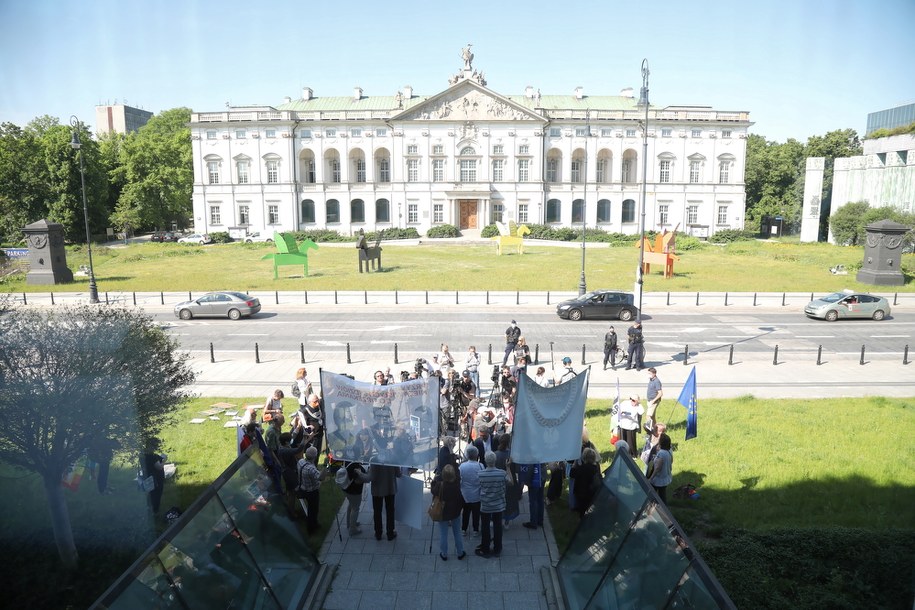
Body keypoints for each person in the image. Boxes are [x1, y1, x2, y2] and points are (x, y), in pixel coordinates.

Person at [476, 451, 508, 558]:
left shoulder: (480, 474)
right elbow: (511, 481)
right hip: (499, 505)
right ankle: (497, 549)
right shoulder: (502, 473)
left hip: (485, 505)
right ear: (495, 461)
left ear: (485, 461)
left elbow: (478, 487)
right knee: (498, 526)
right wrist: (508, 467)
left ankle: (485, 548)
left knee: (485, 527)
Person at [432, 464, 466, 561]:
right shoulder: (457, 484)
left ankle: (444, 553)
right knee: (457, 533)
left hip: (442, 512)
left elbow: (433, 491)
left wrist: (433, 481)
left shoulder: (440, 485)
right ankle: (460, 552)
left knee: (443, 534)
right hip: (455, 512)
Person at [368, 464, 400, 541]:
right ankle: (390, 533)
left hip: (377, 490)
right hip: (390, 488)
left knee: (377, 511)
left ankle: (378, 534)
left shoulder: (374, 460)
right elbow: (398, 474)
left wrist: (361, 473)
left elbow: (371, 477)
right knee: (390, 511)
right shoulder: (392, 459)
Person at [567, 427, 597, 511]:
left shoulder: (576, 446)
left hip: (578, 469)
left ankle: (573, 505)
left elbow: (571, 461)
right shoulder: (589, 444)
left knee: (574, 486)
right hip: (587, 472)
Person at [494, 434, 520, 528]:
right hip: (510, 479)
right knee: (508, 501)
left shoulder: (495, 454)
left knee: (498, 500)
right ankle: (507, 522)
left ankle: (497, 519)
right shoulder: (512, 455)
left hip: (498, 480)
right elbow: (517, 469)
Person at [296, 446, 322, 534]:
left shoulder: (300, 461)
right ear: (315, 456)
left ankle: (314, 523)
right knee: (313, 510)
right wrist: (326, 469)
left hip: (303, 488)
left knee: (311, 508)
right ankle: (311, 528)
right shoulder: (311, 469)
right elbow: (320, 478)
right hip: (312, 492)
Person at [459, 445, 484, 536]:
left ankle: (463, 529)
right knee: (476, 513)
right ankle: (475, 530)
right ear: (476, 455)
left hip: (465, 494)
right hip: (477, 494)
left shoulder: (462, 466)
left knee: (465, 512)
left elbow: (459, 479)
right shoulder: (480, 466)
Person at [569, 447, 601, 517]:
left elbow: (571, 474)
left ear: (584, 457)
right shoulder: (596, 467)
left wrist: (575, 463)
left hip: (582, 495)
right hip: (593, 494)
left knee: (583, 514)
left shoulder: (581, 468)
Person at [342, 460, 369, 536]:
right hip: (354, 492)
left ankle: (349, 523)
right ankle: (352, 529)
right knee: (355, 508)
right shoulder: (356, 467)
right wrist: (364, 473)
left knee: (351, 505)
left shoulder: (347, 462)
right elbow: (365, 479)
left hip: (346, 489)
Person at [647, 433, 673, 503]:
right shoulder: (669, 450)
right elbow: (671, 461)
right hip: (665, 476)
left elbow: (658, 468)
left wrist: (650, 478)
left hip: (658, 479)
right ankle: (664, 509)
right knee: (662, 495)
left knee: (652, 495)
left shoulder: (661, 453)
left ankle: (652, 508)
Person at [520, 461, 545, 530]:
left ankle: (533, 522)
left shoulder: (531, 452)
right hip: (542, 474)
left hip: (534, 476)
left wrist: (526, 481)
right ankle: (540, 520)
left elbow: (529, 467)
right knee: (540, 499)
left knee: (533, 501)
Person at [645, 367, 664, 433]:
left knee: (648, 416)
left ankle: (649, 431)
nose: (648, 375)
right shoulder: (651, 379)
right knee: (652, 417)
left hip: (653, 401)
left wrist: (653, 401)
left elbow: (660, 393)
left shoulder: (657, 381)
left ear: (654, 374)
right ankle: (656, 430)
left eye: (650, 373)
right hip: (649, 400)